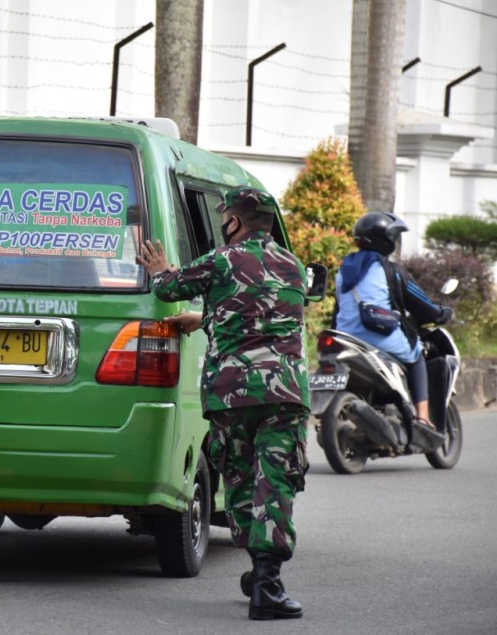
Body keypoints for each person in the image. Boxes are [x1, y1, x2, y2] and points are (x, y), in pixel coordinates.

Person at [136, 186, 309, 621]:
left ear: (233, 221)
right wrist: (208, 318)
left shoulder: (220, 260)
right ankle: (265, 579)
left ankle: (262, 573)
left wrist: (159, 268)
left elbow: (168, 286)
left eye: (225, 217)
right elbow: (261, 312)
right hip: (284, 393)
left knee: (240, 482)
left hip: (233, 394)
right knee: (276, 481)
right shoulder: (295, 267)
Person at [333, 211, 451, 445]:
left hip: (345, 336)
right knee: (416, 352)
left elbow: (338, 308)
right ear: (384, 240)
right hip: (378, 336)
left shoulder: (343, 270)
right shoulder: (391, 270)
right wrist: (441, 313)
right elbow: (420, 303)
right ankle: (423, 417)